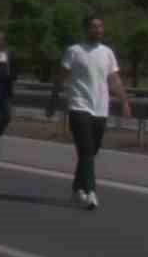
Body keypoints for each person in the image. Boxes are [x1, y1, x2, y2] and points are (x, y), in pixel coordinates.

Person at [48, 15, 133, 210]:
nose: (98, 30)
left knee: (91, 152)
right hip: (79, 106)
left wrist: (124, 100)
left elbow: (114, 80)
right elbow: (60, 78)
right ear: (86, 29)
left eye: (100, 27)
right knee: (86, 150)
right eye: (94, 27)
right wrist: (52, 101)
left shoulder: (107, 53)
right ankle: (91, 191)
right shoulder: (74, 51)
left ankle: (77, 187)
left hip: (100, 108)